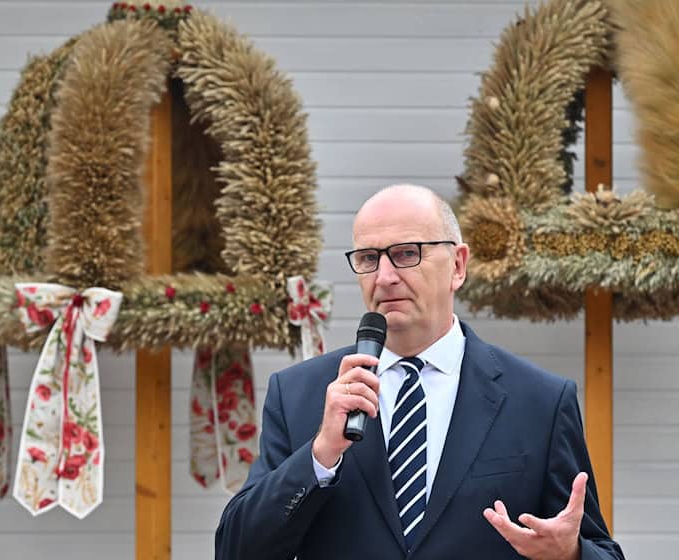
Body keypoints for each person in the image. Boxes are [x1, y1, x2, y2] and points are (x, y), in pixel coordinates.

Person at [214, 185, 624, 559]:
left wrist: (571, 555)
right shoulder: (300, 394)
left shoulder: (540, 401)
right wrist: (321, 455)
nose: (385, 277)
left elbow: (603, 552)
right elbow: (236, 550)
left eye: (407, 253)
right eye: (369, 258)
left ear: (458, 266)